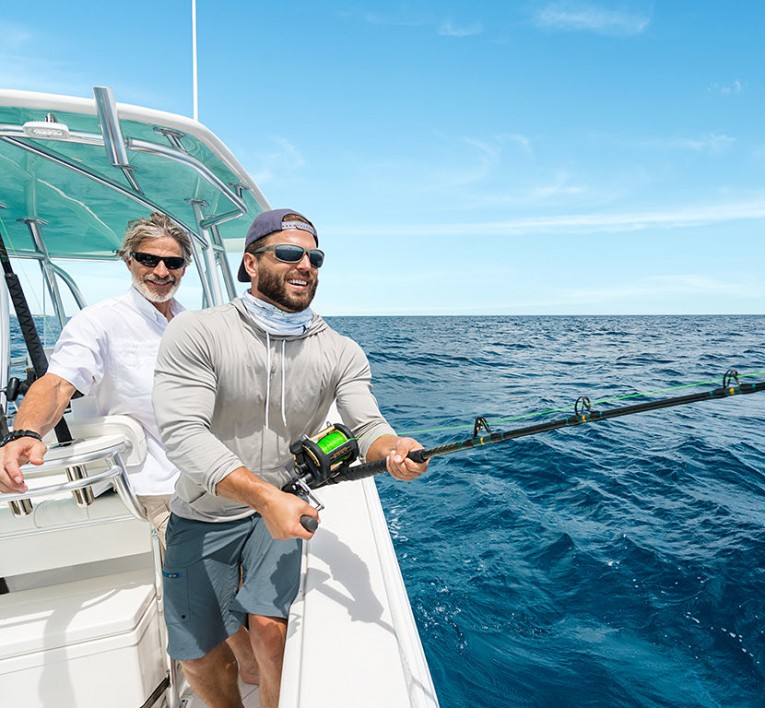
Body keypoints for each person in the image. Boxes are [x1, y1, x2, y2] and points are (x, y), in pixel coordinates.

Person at [153, 208, 429, 708]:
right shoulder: (196, 331)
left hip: (282, 500)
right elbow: (182, 433)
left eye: (314, 256)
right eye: (288, 253)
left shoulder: (340, 350)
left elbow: (368, 426)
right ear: (251, 265)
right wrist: (261, 497)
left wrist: (394, 451)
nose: (305, 264)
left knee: (269, 631)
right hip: (205, 509)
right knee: (195, 654)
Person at [0, 211, 259, 683]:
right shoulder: (98, 323)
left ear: (186, 268)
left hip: (214, 471)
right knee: (211, 595)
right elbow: (57, 384)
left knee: (258, 568)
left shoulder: (194, 323)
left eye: (173, 263)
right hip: (159, 485)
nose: (161, 272)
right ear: (128, 260)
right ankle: (239, 664)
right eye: (148, 259)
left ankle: (249, 658)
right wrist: (24, 434)